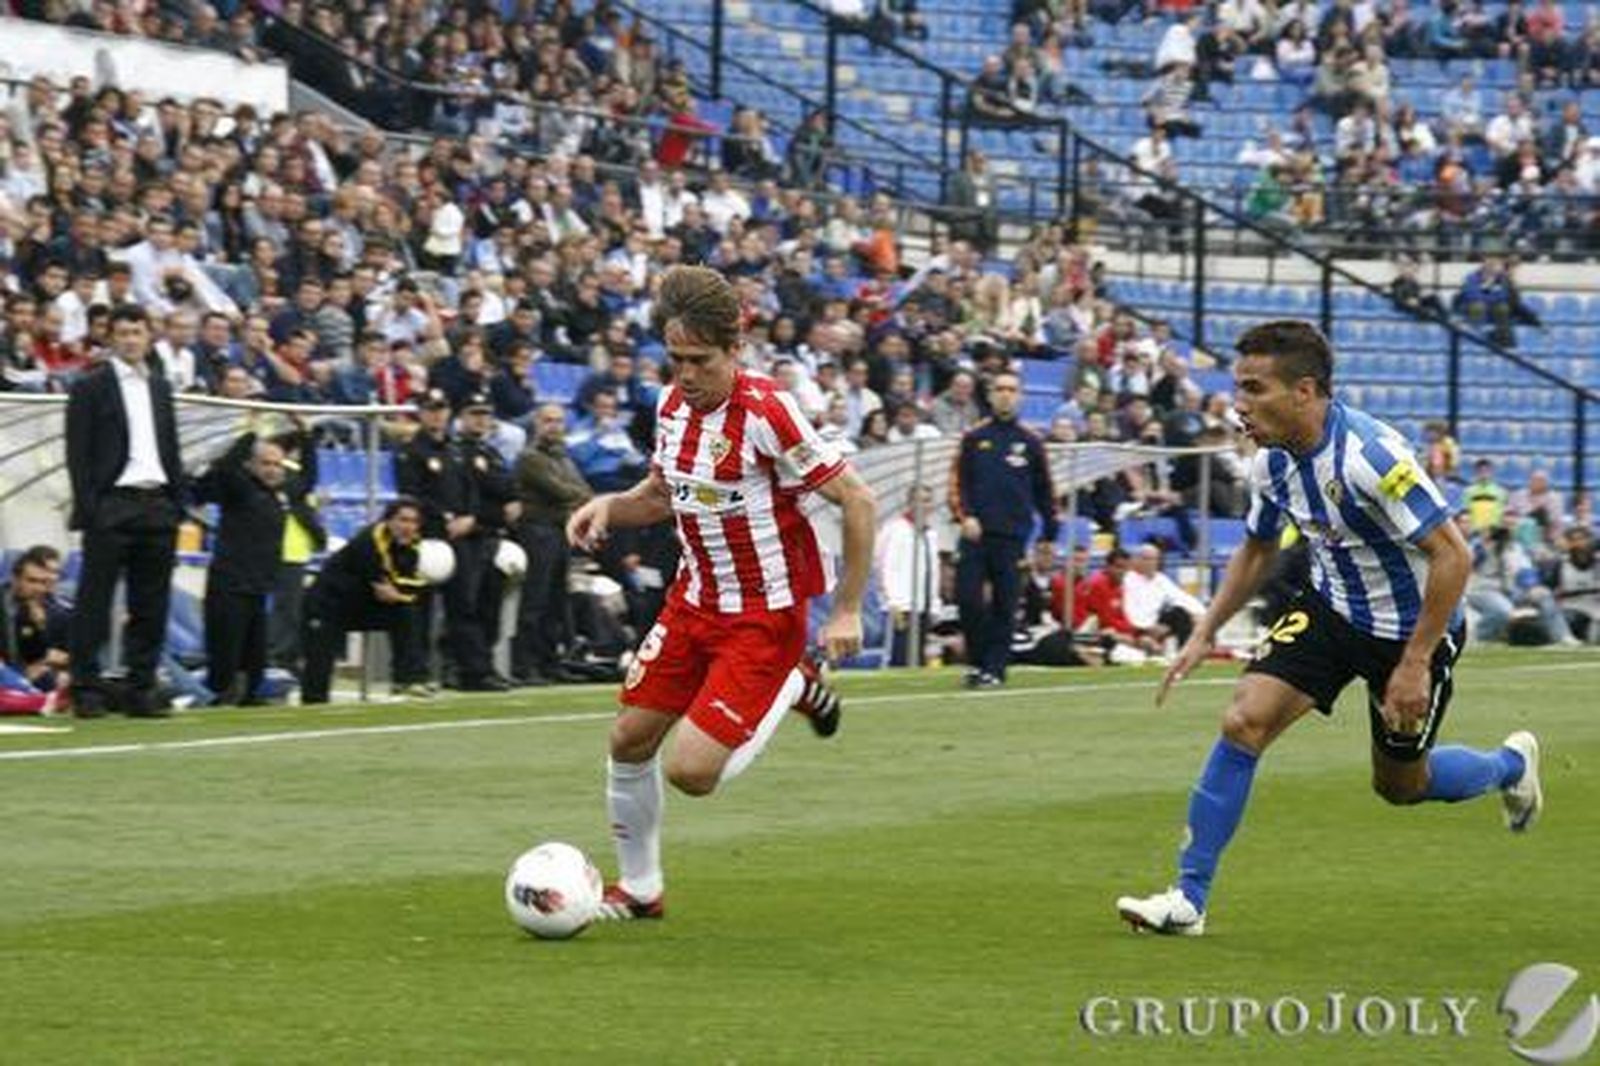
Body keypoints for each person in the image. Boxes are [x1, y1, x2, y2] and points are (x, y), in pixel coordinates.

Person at [1117, 321, 1542, 937]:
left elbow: (1454, 555)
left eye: (1254, 389)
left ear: (1304, 392)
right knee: (1243, 720)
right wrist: (1205, 630)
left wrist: (1415, 663)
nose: (1239, 405)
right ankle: (1188, 899)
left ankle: (1509, 766)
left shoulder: (1373, 457)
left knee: (1401, 785)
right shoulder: (1271, 463)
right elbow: (1259, 548)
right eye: (1238, 388)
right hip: (1331, 609)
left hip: (1409, 633)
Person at [564, 266, 875, 921]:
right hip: (693, 603)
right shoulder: (670, 406)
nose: (685, 374)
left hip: (762, 616)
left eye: (700, 361)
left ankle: (791, 681)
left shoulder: (767, 412)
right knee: (628, 740)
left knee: (692, 773)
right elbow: (660, 496)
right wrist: (609, 505)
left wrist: (847, 609)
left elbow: (857, 498)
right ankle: (640, 890)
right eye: (675, 359)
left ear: (736, 349)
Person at [65, 304, 184, 718]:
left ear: (149, 336)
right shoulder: (90, 387)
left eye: (137, 332)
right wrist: (91, 509)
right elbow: (78, 455)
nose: (131, 340)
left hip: (158, 505)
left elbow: (170, 448)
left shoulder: (160, 387)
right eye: (123, 333)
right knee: (94, 603)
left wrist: (177, 502)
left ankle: (141, 688)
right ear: (110, 338)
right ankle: (85, 688)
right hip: (113, 505)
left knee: (152, 606)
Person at [950, 369, 1059, 686]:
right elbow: (957, 483)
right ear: (990, 395)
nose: (1005, 395)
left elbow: (1045, 490)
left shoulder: (1031, 441)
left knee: (1005, 604)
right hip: (976, 534)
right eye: (1000, 388)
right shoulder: (974, 438)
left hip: (1013, 537)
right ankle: (977, 661)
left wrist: (1049, 533)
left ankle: (995, 669)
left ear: (1020, 396)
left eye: (1012, 389)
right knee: (967, 599)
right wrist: (966, 516)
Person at [300, 498, 431, 704]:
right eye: (403, 520)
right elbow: (385, 591)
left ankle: (407, 680)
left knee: (406, 614)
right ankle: (314, 700)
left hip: (361, 604)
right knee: (321, 653)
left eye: (414, 522)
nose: (409, 527)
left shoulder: (413, 546)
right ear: (388, 520)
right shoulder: (370, 540)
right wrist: (408, 591)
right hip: (328, 602)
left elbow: (408, 587)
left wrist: (410, 591)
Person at [193, 432, 288, 705]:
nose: (272, 470)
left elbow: (308, 480)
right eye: (266, 463)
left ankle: (250, 696)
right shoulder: (240, 488)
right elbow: (225, 467)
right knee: (226, 649)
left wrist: (304, 435)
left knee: (255, 651)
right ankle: (219, 696)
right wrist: (249, 433)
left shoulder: (277, 496)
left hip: (258, 587)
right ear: (251, 465)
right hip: (230, 584)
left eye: (277, 464)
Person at [511, 403, 592, 685]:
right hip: (537, 531)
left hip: (558, 531)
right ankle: (524, 665)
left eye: (558, 421)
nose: (554, 426)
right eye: (548, 420)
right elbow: (561, 491)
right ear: (536, 423)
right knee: (535, 600)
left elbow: (585, 492)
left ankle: (549, 662)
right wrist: (575, 494)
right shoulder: (529, 457)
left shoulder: (563, 458)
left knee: (556, 601)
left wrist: (575, 494)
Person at [876, 484, 942, 666]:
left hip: (922, 605)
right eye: (919, 501)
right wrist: (892, 601)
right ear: (909, 503)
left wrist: (934, 604)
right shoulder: (895, 530)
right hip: (901, 605)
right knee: (900, 655)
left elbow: (933, 572)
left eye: (927, 501)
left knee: (918, 657)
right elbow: (885, 566)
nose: (923, 505)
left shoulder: (931, 534)